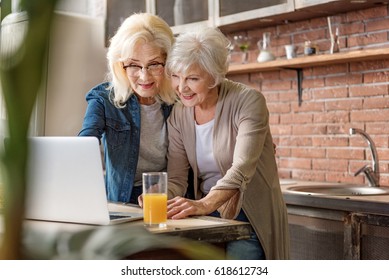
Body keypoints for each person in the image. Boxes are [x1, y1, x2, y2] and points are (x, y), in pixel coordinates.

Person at [164, 27, 290, 259]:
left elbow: (241, 169)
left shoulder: (248, 101)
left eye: (192, 78)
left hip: (249, 215)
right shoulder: (179, 114)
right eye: (175, 76)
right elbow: (177, 178)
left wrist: (204, 204)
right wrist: (161, 197)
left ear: (214, 76)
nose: (181, 88)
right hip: (207, 216)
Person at [78, 13, 176, 204]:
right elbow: (85, 143)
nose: (144, 76)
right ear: (120, 65)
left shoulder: (179, 99)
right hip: (123, 199)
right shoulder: (103, 99)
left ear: (168, 61)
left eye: (154, 64)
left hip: (171, 196)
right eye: (133, 65)